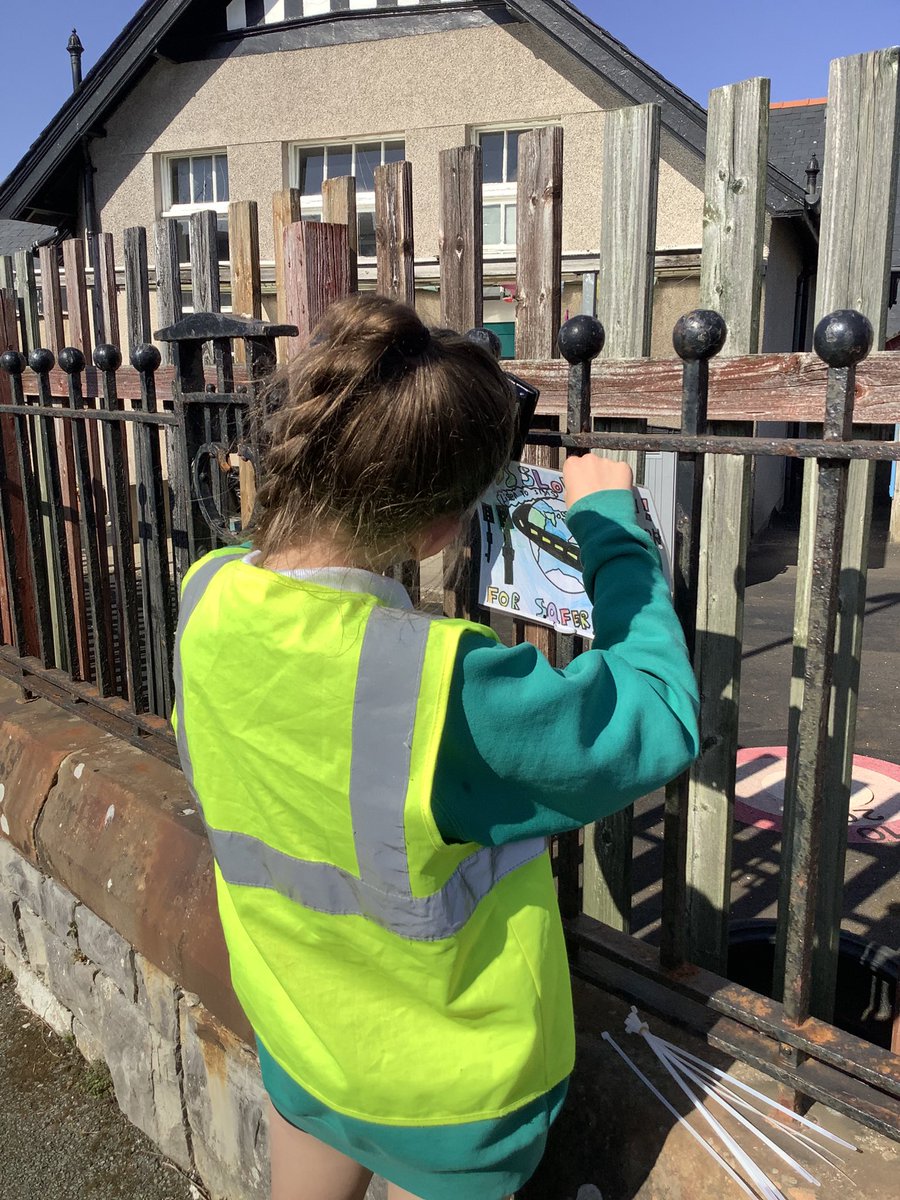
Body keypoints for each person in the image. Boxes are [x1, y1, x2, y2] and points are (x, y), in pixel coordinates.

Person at [173, 294, 700, 1200]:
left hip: (303, 1040)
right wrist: (611, 528)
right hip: (447, 1100)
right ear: (440, 525)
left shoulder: (207, 596)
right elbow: (656, 715)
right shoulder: (441, 689)